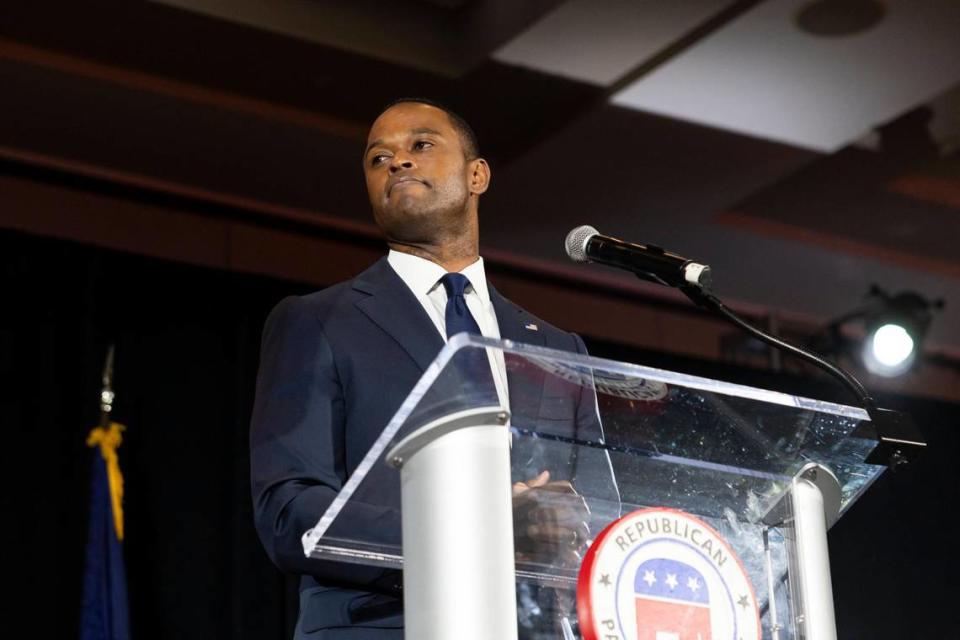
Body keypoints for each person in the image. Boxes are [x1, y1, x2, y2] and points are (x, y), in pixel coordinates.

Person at [250, 98, 610, 639]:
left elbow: (601, 516)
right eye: (378, 159)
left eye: (420, 146)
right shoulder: (319, 322)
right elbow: (290, 513)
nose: (397, 163)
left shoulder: (559, 349)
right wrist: (476, 531)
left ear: (477, 174)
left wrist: (571, 527)